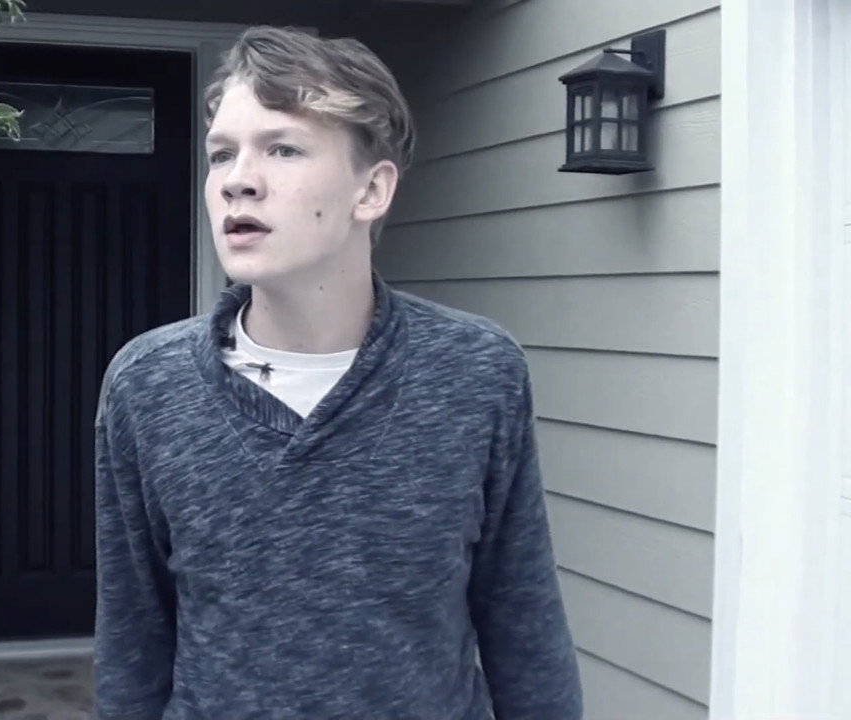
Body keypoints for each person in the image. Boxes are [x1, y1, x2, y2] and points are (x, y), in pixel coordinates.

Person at [92, 25, 582, 720]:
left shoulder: (476, 372)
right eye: (222, 154)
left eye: (283, 149)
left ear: (371, 190)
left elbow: (522, 617)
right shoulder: (148, 386)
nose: (237, 181)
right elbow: (132, 644)